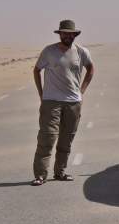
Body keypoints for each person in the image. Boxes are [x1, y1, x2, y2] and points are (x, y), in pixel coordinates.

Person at [31, 19, 94, 186]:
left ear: (75, 35)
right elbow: (37, 70)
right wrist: (41, 93)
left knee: (66, 139)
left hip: (73, 103)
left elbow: (91, 68)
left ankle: (60, 172)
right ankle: (40, 175)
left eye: (70, 33)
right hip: (51, 101)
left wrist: (82, 91)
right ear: (60, 34)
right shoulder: (49, 51)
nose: (67, 36)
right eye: (64, 33)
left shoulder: (81, 52)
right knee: (47, 138)